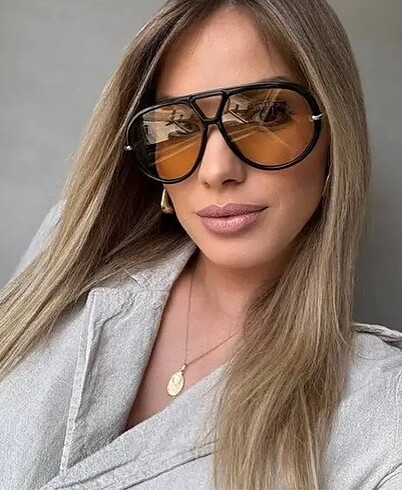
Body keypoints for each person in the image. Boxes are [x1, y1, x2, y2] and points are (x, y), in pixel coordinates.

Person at [1, 0, 401, 488]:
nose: (216, 171)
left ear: (335, 134)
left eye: (266, 115)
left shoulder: (381, 414)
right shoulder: (68, 253)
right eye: (177, 126)